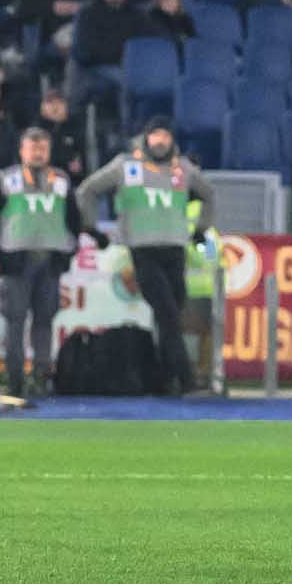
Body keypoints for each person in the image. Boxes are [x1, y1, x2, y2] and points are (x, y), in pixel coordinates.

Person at [81, 122, 201, 395]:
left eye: (165, 135)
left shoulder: (183, 184)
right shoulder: (127, 168)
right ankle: (186, 378)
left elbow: (209, 199)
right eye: (155, 135)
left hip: (179, 258)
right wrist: (92, 227)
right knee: (168, 316)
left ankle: (166, 380)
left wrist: (202, 233)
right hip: (146, 252)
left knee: (168, 318)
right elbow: (88, 190)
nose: (160, 140)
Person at [0, 124, 77, 400]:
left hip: (50, 260)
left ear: (49, 151)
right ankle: (15, 383)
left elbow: (74, 219)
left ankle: (41, 380)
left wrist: (67, 253)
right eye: (33, 148)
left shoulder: (62, 180)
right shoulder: (5, 179)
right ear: (22, 150)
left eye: (43, 148)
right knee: (15, 322)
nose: (38, 153)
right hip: (16, 260)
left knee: (45, 322)